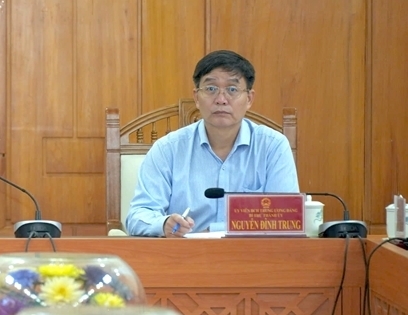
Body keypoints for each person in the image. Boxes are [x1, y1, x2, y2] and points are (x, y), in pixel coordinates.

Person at [125, 50, 299, 237]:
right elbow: (138, 215)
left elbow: (286, 218)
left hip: (251, 252)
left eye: (232, 90)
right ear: (196, 97)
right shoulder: (168, 149)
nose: (221, 100)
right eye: (211, 89)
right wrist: (164, 224)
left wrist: (212, 231)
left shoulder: (273, 147)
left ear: (249, 99)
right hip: (185, 252)